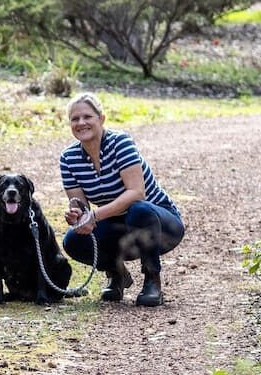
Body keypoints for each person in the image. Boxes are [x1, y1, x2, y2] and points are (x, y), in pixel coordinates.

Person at [59, 92, 185, 307]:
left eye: (87, 117)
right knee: (73, 240)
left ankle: (152, 280)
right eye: (75, 119)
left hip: (159, 223)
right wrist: (78, 217)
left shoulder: (120, 142)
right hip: (118, 223)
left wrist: (94, 215)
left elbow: (137, 193)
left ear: (101, 119)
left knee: (139, 209)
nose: (81, 123)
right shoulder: (68, 158)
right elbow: (80, 206)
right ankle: (116, 274)